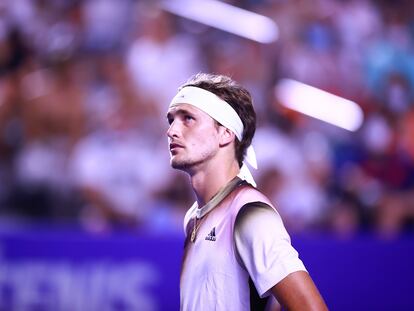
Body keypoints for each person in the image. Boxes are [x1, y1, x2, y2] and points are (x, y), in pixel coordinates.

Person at [166, 73, 328, 311]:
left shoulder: (249, 213)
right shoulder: (193, 217)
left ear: (226, 133)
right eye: (171, 120)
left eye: (188, 118)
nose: (171, 131)